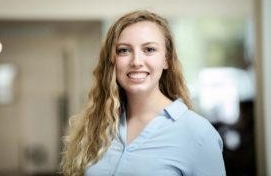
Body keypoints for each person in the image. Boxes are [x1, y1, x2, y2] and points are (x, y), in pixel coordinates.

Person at [60, 10, 226, 176]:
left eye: (149, 49)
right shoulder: (97, 126)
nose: (136, 62)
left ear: (166, 60)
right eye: (124, 50)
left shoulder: (199, 134)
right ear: (112, 61)